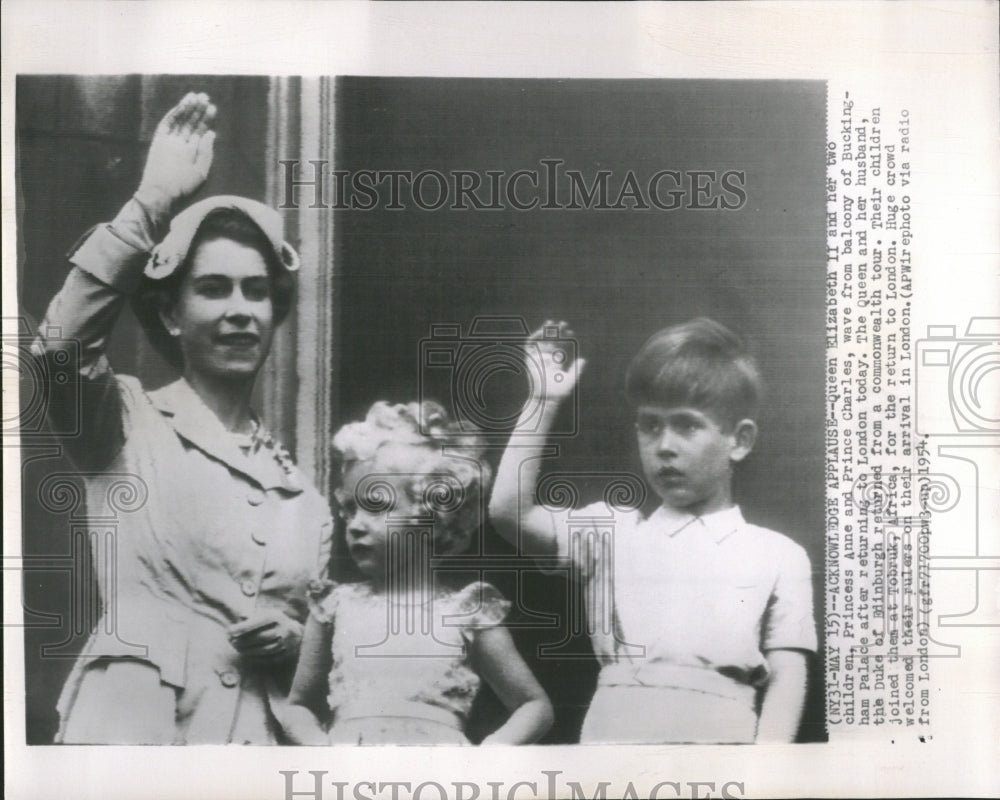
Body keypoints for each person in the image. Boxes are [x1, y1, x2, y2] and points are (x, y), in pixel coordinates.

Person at [31, 93, 333, 744]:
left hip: (256, 750)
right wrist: (152, 199)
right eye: (213, 288)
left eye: (256, 291)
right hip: (134, 734)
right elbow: (58, 351)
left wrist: (300, 641)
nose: (240, 310)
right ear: (171, 314)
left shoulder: (302, 497)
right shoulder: (123, 421)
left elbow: (325, 650)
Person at [488, 318, 816, 744]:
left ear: (740, 440)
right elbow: (507, 513)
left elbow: (787, 680)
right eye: (651, 425)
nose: (664, 445)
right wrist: (542, 400)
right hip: (613, 756)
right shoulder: (612, 534)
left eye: (687, 425)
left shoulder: (777, 554)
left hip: (724, 759)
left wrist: (766, 779)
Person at [280, 401, 553, 745]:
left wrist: (487, 755)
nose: (356, 526)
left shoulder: (466, 612)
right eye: (349, 509)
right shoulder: (335, 608)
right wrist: (321, 749)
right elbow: (297, 706)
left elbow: (534, 705)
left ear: (432, 514)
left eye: (376, 506)